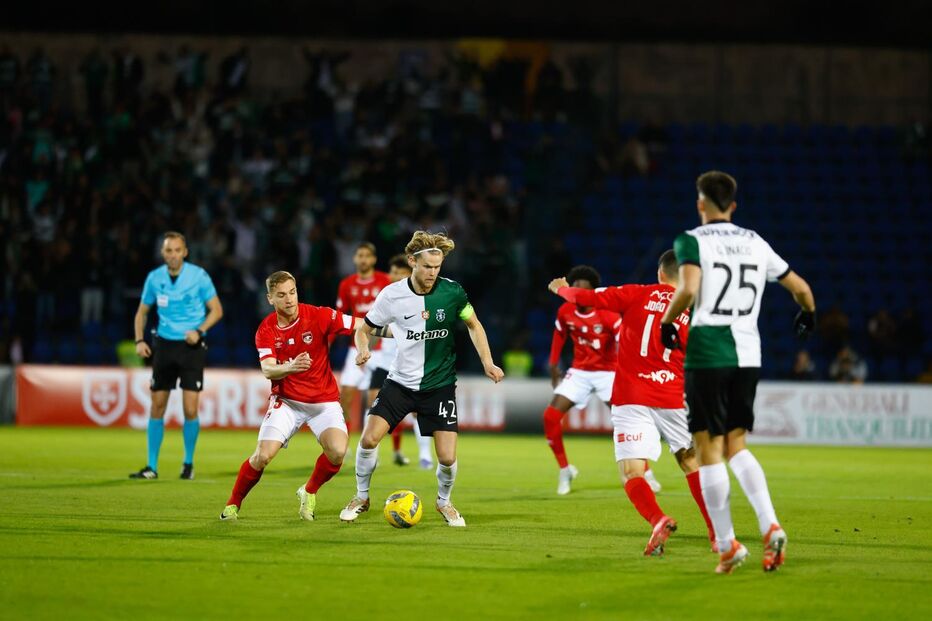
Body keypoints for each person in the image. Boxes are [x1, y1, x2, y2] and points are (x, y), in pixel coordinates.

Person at [659, 170, 816, 574]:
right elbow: (800, 287)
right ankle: (770, 525)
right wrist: (808, 314)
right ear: (733, 204)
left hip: (709, 352)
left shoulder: (691, 240)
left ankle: (728, 544)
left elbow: (688, 288)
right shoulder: (755, 241)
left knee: (708, 449)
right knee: (737, 444)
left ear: (700, 203)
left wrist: (667, 322)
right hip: (748, 354)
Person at [548, 250, 716, 557]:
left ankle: (658, 519)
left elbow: (585, 298)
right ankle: (717, 533)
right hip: (672, 395)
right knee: (690, 461)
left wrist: (561, 289)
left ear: (660, 273)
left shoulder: (636, 293)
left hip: (631, 395)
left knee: (632, 471)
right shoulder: (694, 308)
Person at [340, 231, 504, 527]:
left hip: (439, 386)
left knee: (447, 458)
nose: (432, 273)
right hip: (399, 383)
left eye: (437, 267)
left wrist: (488, 362)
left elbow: (474, 324)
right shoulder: (391, 295)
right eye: (427, 266)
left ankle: (444, 502)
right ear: (412, 261)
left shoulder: (453, 292)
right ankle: (361, 497)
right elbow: (364, 329)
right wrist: (363, 349)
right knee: (369, 439)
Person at [220, 271, 367, 521]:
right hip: (287, 402)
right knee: (263, 456)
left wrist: (381, 339)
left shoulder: (319, 315)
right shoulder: (266, 329)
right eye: (281, 295)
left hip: (324, 402)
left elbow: (361, 324)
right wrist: (291, 367)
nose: (289, 299)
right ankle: (233, 504)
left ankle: (309, 491)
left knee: (337, 452)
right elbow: (268, 369)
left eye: (292, 292)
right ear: (270, 298)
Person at [130, 232, 224, 480]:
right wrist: (139, 341)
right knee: (157, 405)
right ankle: (151, 466)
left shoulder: (199, 276)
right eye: (168, 250)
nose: (173, 255)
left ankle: (188, 463)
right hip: (164, 345)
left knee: (190, 408)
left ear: (185, 252)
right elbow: (141, 313)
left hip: (191, 347)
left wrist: (199, 331)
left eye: (177, 250)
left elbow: (217, 310)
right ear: (163, 253)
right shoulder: (154, 278)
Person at [543, 265, 621, 495]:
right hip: (580, 372)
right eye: (573, 286)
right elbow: (559, 335)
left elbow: (625, 342)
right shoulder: (566, 311)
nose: (575, 291)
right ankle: (565, 469)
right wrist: (553, 365)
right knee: (550, 417)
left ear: (591, 291)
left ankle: (644, 471)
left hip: (608, 372)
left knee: (625, 419)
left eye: (580, 288)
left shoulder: (608, 313)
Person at [366, 253, 434, 469]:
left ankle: (425, 455)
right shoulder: (385, 297)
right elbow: (371, 327)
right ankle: (373, 456)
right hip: (383, 362)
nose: (394, 276)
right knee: (373, 407)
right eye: (392, 272)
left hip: (410, 363)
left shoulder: (422, 299)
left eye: (399, 272)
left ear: (409, 273)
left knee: (416, 411)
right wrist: (366, 350)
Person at [335, 242, 391, 431]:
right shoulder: (346, 284)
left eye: (367, 255)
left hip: (382, 349)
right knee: (345, 397)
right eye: (360, 255)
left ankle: (370, 445)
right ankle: (343, 441)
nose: (363, 259)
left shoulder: (385, 281)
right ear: (354, 258)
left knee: (374, 400)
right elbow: (339, 317)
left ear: (374, 259)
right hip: (356, 347)